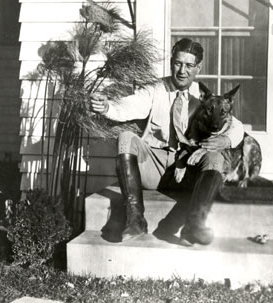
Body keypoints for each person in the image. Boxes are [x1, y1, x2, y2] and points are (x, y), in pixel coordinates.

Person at [89, 38, 244, 245]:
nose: (182, 71)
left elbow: (236, 126)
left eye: (189, 65)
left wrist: (226, 139)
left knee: (215, 157)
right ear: (171, 62)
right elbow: (128, 106)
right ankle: (135, 219)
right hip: (156, 166)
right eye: (178, 63)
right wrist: (107, 107)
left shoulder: (204, 95)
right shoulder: (155, 89)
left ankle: (194, 225)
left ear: (198, 67)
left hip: (190, 170)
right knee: (126, 138)